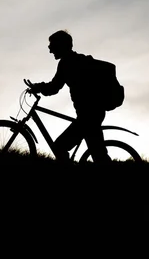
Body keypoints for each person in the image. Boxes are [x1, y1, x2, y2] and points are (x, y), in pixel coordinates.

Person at [25, 30, 112, 163]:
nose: (50, 51)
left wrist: (38, 87)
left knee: (59, 147)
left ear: (61, 45)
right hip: (92, 113)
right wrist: (40, 87)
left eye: (52, 47)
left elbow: (54, 87)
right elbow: (54, 87)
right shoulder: (75, 60)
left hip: (88, 116)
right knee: (99, 156)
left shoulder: (68, 63)